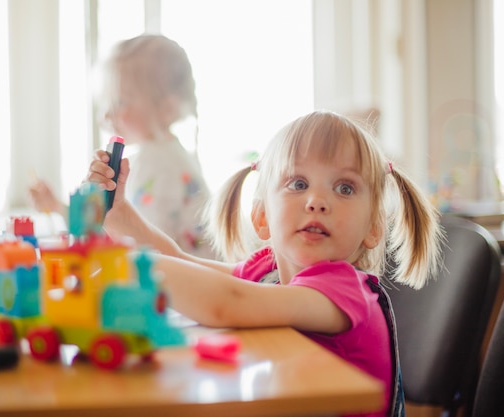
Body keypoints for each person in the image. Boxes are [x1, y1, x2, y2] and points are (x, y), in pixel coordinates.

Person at [87, 110, 445, 417]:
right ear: (262, 218)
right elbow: (179, 260)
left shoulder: (344, 291)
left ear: (373, 227)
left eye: (345, 188)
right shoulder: (270, 270)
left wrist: (134, 265)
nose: (318, 201)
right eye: (299, 183)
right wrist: (119, 216)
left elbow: (227, 303)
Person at [30, 33, 214, 258]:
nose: (107, 114)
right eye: (107, 102)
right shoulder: (169, 155)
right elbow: (119, 225)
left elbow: (134, 243)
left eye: (120, 102)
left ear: (167, 109)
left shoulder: (155, 163)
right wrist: (60, 208)